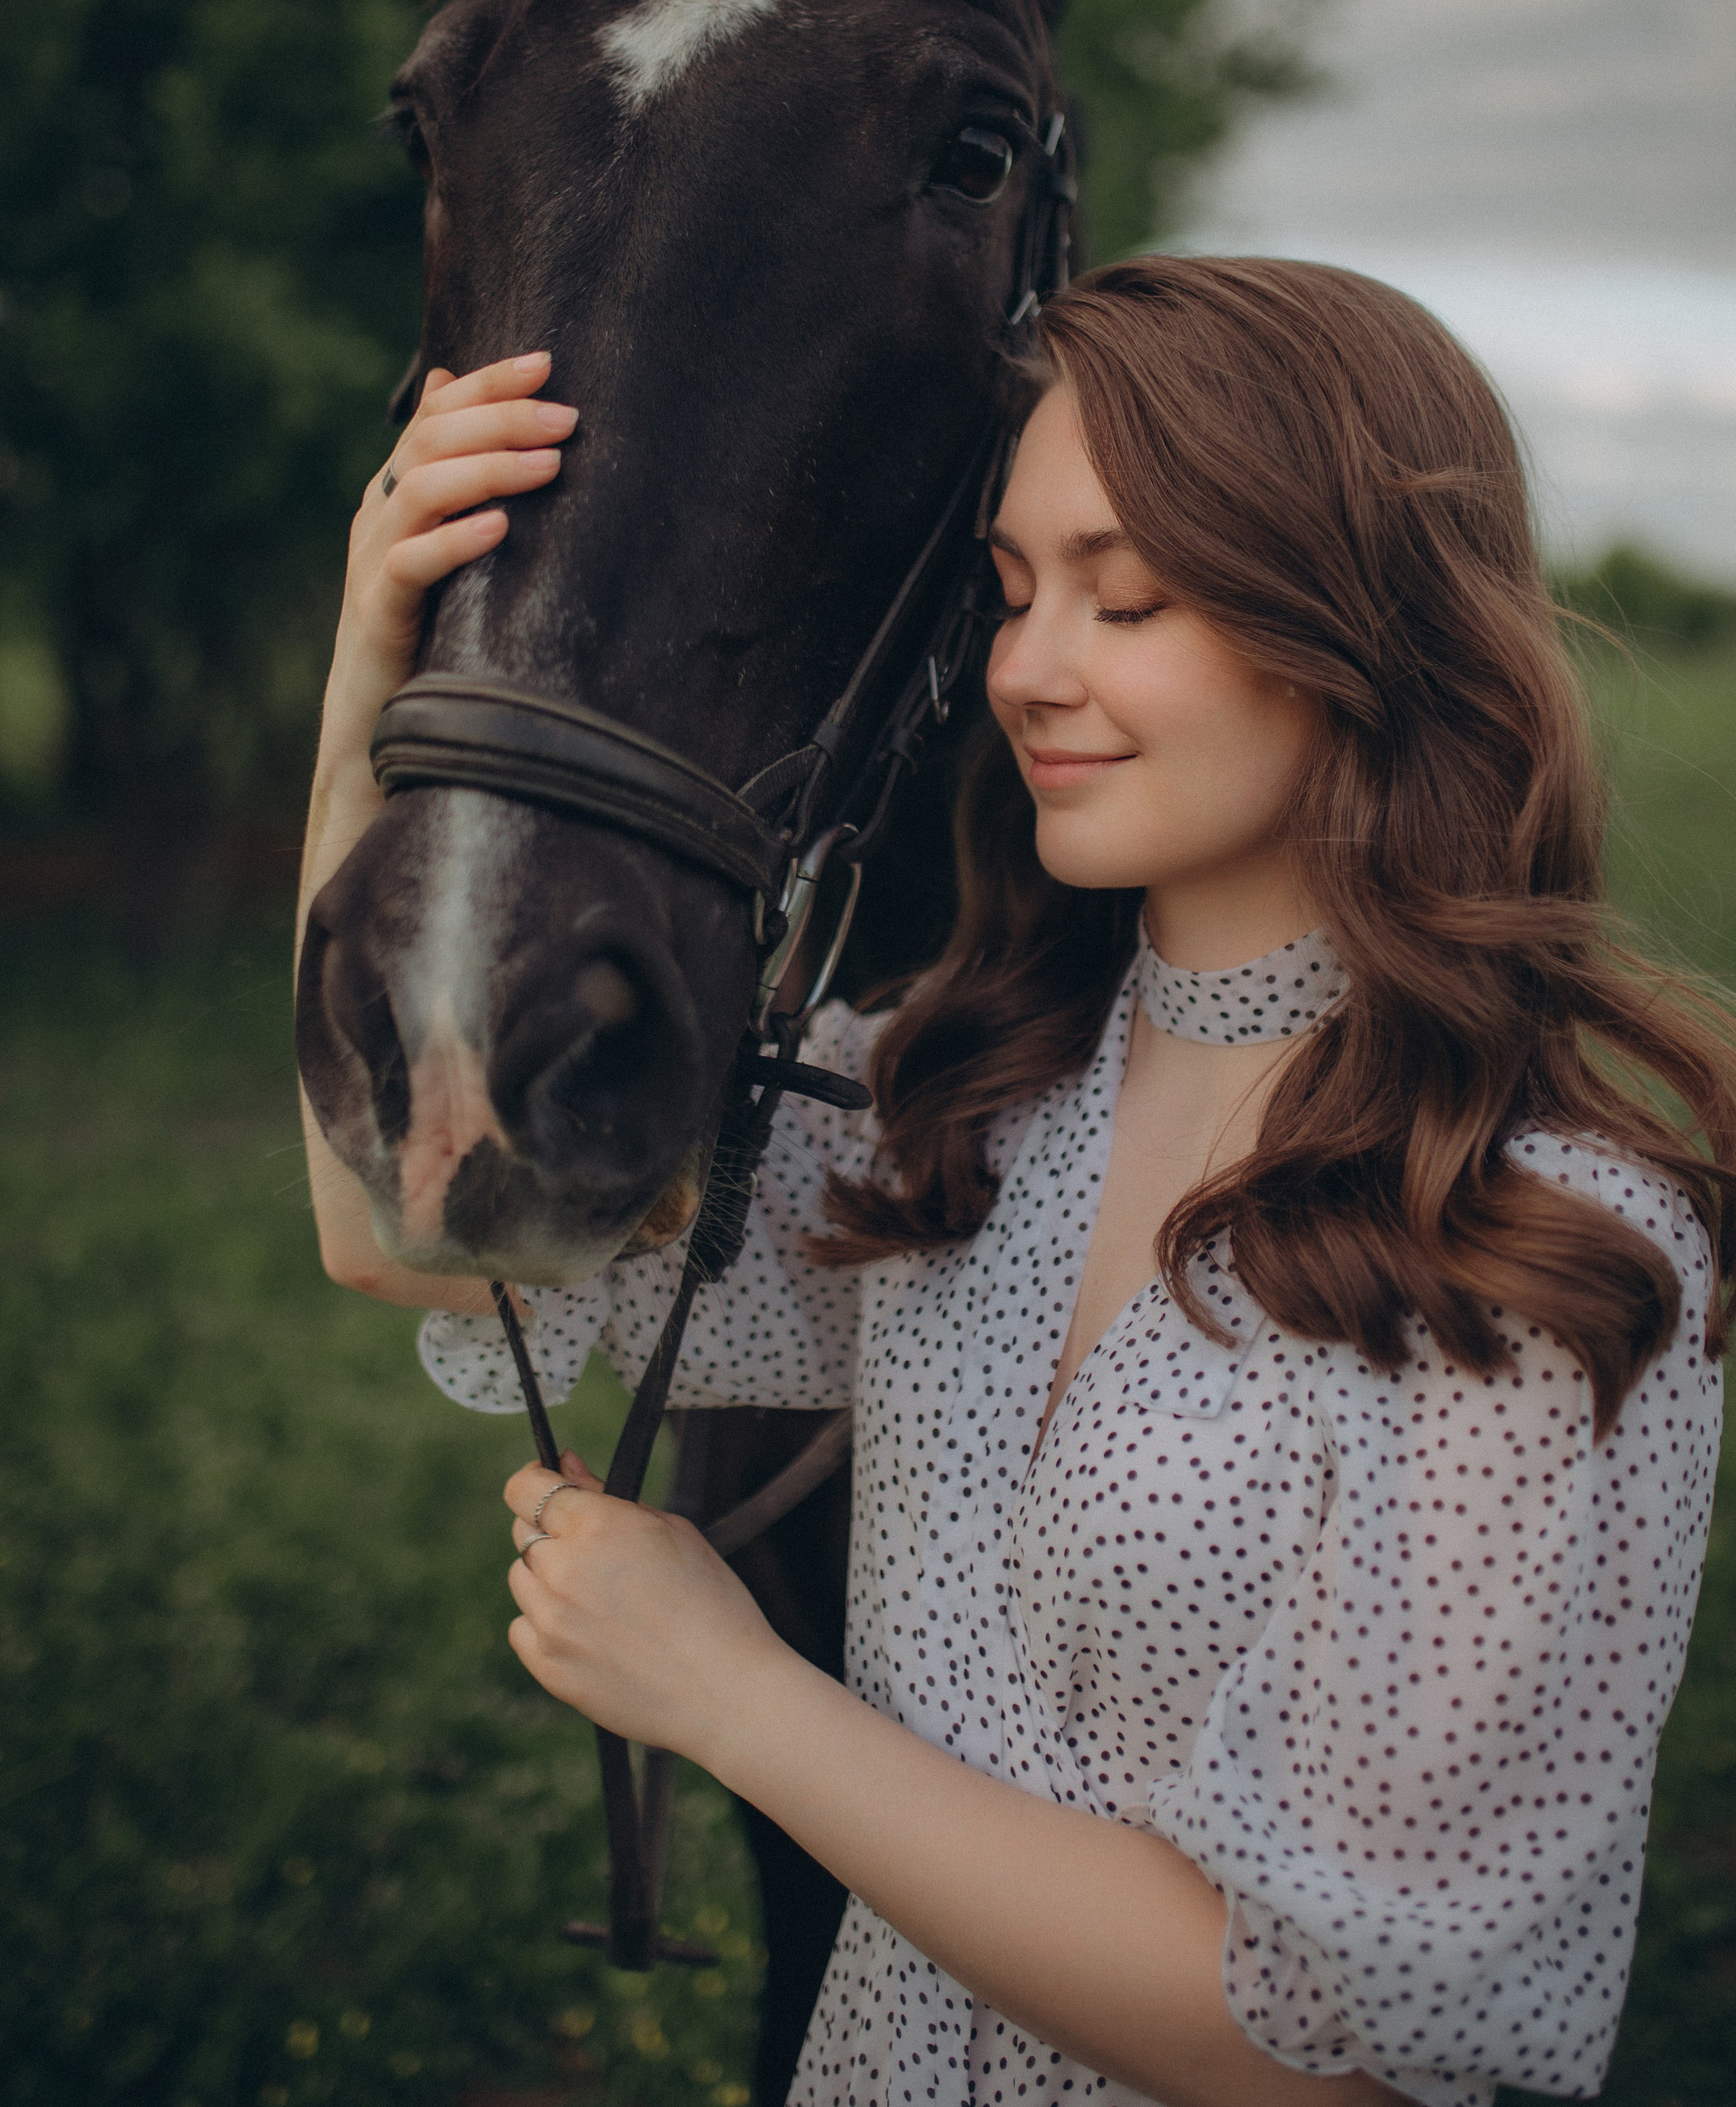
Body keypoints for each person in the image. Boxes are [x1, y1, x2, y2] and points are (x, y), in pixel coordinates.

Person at [304, 257, 1731, 2107]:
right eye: (1010, 591)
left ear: (1359, 626)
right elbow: (407, 1219)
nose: (1032, 673)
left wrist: (737, 1698)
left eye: (1127, 597)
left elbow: (1338, 2063)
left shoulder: (1536, 1244)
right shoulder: (953, 1106)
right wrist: (377, 682)